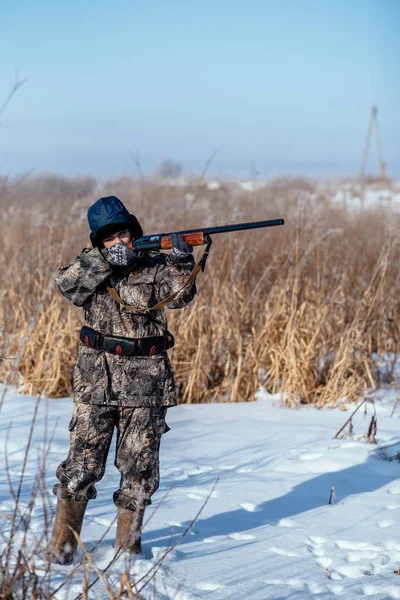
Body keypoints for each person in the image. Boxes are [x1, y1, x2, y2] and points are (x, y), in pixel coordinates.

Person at [45, 195, 197, 564]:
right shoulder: (89, 265)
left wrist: (181, 263)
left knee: (139, 470)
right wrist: (103, 261)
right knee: (82, 467)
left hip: (146, 385)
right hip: (96, 382)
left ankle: (128, 552)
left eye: (123, 233)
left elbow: (180, 297)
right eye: (109, 237)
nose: (119, 241)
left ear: (134, 232)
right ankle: (62, 549)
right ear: (98, 240)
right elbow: (66, 286)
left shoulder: (155, 264)